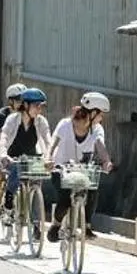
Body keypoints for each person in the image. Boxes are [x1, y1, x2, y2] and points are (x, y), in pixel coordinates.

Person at [46, 91, 113, 243]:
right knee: (65, 200)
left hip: (82, 170)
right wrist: (48, 158)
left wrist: (106, 161)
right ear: (93, 113)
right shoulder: (65, 124)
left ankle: (87, 226)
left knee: (93, 188)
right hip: (61, 168)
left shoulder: (96, 129)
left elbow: (100, 146)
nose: (102, 118)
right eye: (101, 115)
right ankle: (56, 226)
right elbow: (53, 143)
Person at [0, 87, 49, 224]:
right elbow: (2, 136)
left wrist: (49, 158)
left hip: (32, 157)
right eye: (36, 106)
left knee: (36, 183)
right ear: (26, 105)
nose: (39, 110)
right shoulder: (11, 118)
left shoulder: (41, 121)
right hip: (12, 155)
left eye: (41, 106)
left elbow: (48, 140)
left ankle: (36, 222)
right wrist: (2, 153)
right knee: (8, 171)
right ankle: (7, 203)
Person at [0, 82, 28, 217]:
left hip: (23, 150)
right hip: (4, 149)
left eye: (24, 100)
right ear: (11, 101)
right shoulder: (1, 114)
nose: (21, 103)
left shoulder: (29, 114)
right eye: (18, 100)